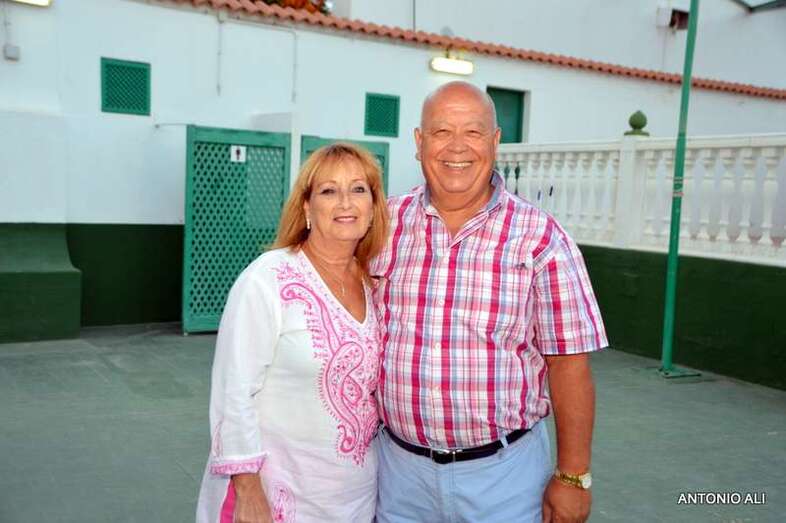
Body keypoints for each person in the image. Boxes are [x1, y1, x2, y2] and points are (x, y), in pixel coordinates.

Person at [371, 81, 607, 523]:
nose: (457, 147)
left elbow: (570, 365)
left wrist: (573, 476)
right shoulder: (381, 226)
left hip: (505, 480)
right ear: (419, 143)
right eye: (441, 132)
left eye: (473, 132)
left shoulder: (541, 238)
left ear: (495, 141)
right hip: (398, 478)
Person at [196, 143, 389, 523]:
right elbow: (234, 390)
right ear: (306, 207)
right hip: (276, 496)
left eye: (358, 189)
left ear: (372, 207)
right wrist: (247, 489)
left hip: (356, 496)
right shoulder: (267, 278)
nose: (345, 202)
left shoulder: (375, 283)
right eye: (329, 190)